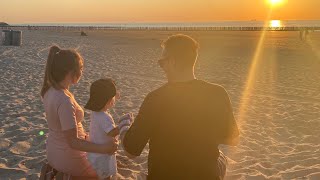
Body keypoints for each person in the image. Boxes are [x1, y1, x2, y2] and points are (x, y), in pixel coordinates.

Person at [121, 34, 240, 180]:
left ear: (172, 62)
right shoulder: (218, 93)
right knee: (220, 158)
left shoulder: (155, 98)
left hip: (163, 175)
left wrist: (124, 129)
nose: (161, 66)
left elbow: (131, 152)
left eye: (162, 62)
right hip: (205, 175)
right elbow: (232, 139)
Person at [40, 46, 118, 178]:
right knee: (103, 173)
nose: (82, 72)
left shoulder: (49, 90)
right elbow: (73, 142)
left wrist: (88, 137)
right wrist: (104, 149)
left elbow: (62, 129)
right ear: (71, 71)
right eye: (81, 68)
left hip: (53, 149)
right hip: (68, 155)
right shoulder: (64, 100)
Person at [84, 78, 121, 180]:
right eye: (113, 97)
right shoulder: (105, 117)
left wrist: (114, 95)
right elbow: (111, 133)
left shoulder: (96, 112)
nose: (115, 99)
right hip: (102, 155)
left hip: (96, 151)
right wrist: (122, 125)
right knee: (106, 176)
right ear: (108, 100)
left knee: (101, 174)